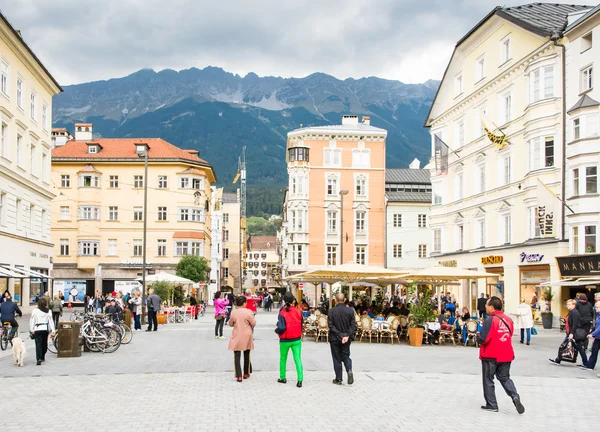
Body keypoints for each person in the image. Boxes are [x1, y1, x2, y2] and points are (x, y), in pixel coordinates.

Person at [477, 296, 524, 414]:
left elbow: (484, 338)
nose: (485, 307)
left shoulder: (490, 320)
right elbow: (511, 333)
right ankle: (514, 395)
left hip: (491, 354)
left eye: (487, 305)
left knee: (488, 379)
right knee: (504, 378)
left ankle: (492, 404)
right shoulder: (508, 319)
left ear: (491, 307)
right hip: (506, 353)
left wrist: (478, 337)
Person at [275, 292, 304, 387]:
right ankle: (300, 380)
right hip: (296, 339)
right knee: (297, 359)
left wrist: (277, 330)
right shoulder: (298, 311)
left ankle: (282, 377)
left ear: (284, 301)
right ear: (293, 300)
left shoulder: (282, 312)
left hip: (285, 339)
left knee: (283, 359)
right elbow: (301, 324)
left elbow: (282, 327)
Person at [549, 299, 588, 366]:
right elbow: (570, 322)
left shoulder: (574, 312)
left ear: (574, 305)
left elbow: (575, 324)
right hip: (570, 332)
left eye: (569, 304)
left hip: (573, 332)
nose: (567, 306)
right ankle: (558, 360)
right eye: (567, 304)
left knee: (565, 346)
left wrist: (571, 333)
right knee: (577, 348)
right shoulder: (571, 312)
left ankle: (558, 360)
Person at [328, 292, 356, 385]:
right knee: (346, 356)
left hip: (335, 338)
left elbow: (331, 326)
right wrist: (346, 335)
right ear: (344, 300)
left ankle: (338, 378)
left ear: (335, 300)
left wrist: (340, 334)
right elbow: (353, 326)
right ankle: (349, 370)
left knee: (336, 358)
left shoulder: (331, 311)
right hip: (347, 339)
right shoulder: (350, 311)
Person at [228, 295, 256, 382]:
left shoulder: (234, 312)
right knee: (247, 353)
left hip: (237, 334)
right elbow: (253, 323)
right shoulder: (248, 312)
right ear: (244, 303)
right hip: (247, 335)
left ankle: (238, 375)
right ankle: (246, 373)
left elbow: (231, 323)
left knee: (237, 355)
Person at [29, 297, 55, 366]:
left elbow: (32, 320)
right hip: (45, 329)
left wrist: (31, 329)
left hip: (37, 329)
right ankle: (43, 355)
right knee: (44, 343)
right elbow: (51, 321)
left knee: (38, 344)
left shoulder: (35, 311)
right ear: (45, 303)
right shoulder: (48, 311)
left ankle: (38, 358)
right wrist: (53, 330)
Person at [581, 301, 600, 370]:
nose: (596, 309)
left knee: (594, 351)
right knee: (594, 351)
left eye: (597, 307)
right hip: (598, 338)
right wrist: (591, 333)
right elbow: (596, 327)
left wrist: (592, 334)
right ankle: (590, 366)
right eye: (596, 307)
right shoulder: (598, 315)